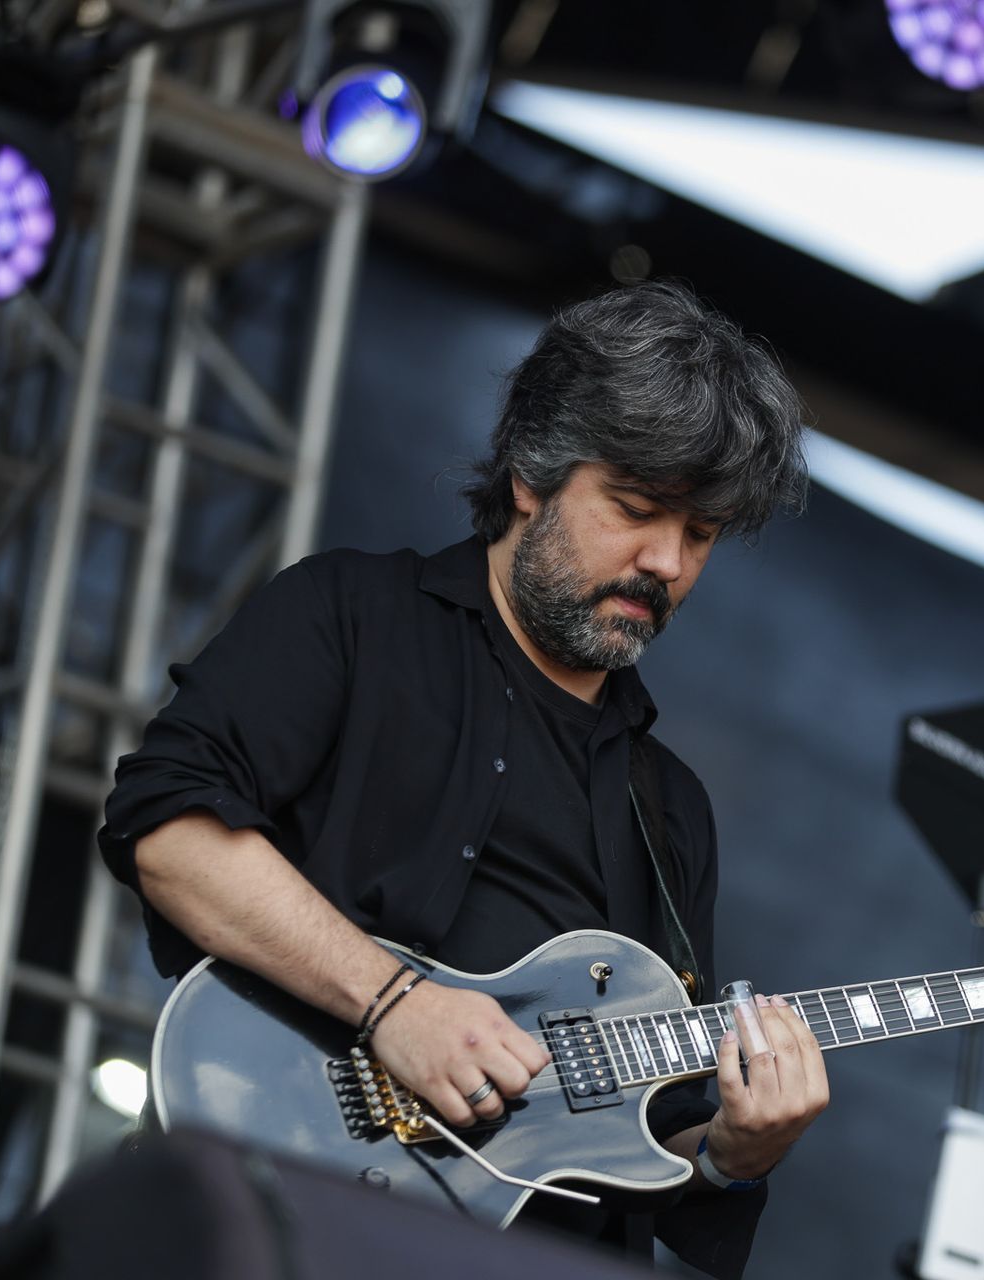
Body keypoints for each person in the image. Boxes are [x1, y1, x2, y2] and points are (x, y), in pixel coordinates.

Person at [98, 281, 826, 1277]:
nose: (666, 561)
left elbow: (655, 1142)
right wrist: (393, 1002)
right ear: (532, 474)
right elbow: (167, 830)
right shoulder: (350, 616)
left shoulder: (671, 811)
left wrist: (736, 1154)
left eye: (700, 534)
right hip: (266, 1224)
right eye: (637, 509)